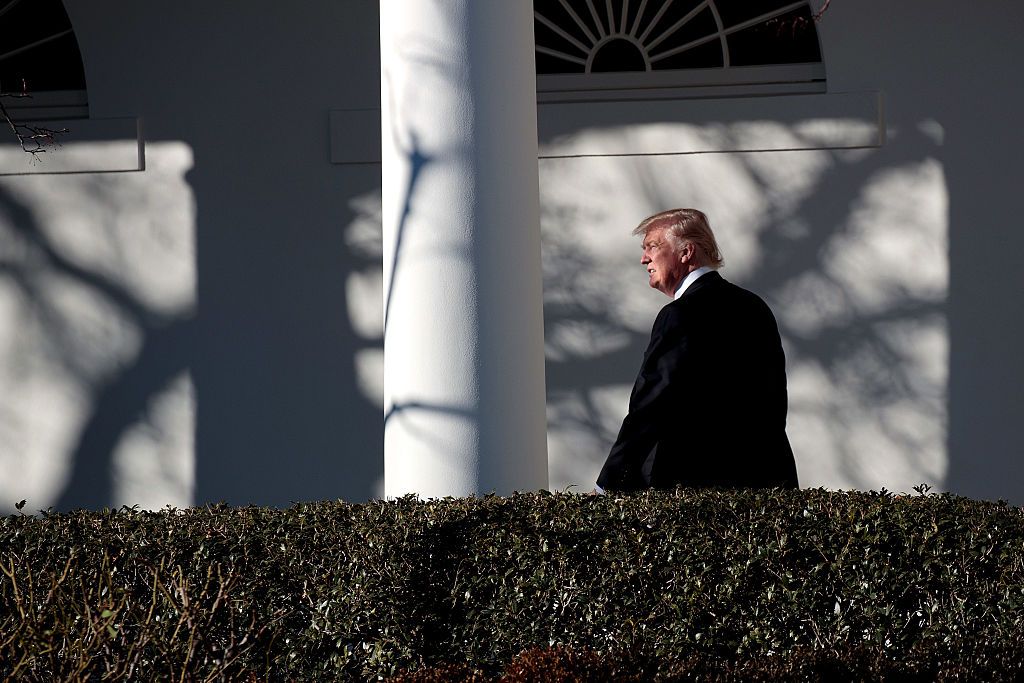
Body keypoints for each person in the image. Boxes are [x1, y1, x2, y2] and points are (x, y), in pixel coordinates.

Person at [596, 208, 798, 493]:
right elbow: (774, 403)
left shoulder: (679, 315)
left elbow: (650, 405)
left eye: (652, 247)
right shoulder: (755, 307)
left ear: (686, 252)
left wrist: (609, 484)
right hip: (766, 487)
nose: (644, 259)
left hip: (696, 500)